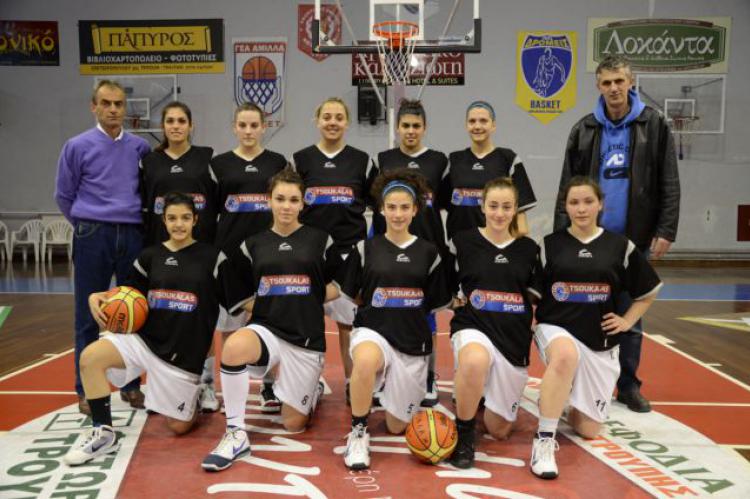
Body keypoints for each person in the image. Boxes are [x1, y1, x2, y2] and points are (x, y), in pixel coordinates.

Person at [554, 55, 680, 413]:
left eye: (619, 81)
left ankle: (627, 385)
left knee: (630, 315)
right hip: (588, 237)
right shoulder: (583, 129)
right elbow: (567, 186)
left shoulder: (654, 124)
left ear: (631, 82)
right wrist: (560, 235)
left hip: (634, 238)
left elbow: (669, 180)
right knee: (581, 310)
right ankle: (578, 381)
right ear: (598, 85)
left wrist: (666, 228)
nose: (613, 89)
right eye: (607, 82)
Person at [63, 192, 224, 466]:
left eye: (185, 218)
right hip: (144, 341)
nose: (179, 224)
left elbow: (236, 298)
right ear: (164, 220)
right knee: (90, 358)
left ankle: (195, 395)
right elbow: (127, 295)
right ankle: (103, 433)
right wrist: (97, 296)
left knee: (178, 426)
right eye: (172, 218)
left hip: (181, 357)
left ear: (195, 220)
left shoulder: (213, 257)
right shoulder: (149, 256)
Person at [201, 168, 343, 472]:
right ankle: (235, 433)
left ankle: (311, 391)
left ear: (302, 203)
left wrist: (303, 296)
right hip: (268, 329)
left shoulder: (321, 240)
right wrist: (269, 303)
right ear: (269, 201)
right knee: (234, 347)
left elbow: (338, 284)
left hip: (305, 338)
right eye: (280, 199)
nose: (286, 206)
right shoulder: (252, 244)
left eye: (293, 200)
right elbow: (237, 290)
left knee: (293, 424)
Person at [532, 176, 662, 479]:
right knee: (565, 356)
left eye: (588, 201)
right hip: (556, 328)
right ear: (565, 207)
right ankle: (544, 440)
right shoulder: (549, 245)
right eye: (574, 202)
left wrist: (627, 321)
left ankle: (558, 397)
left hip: (600, 340)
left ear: (600, 204)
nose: (581, 209)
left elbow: (648, 292)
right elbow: (532, 294)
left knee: (588, 429)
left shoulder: (620, 246)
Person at [342, 169, 451, 470]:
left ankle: (388, 387)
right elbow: (356, 295)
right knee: (365, 360)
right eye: (392, 207)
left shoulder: (430, 253)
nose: (398, 214)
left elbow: (434, 303)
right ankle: (358, 431)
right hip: (373, 330)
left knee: (396, 426)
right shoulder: (365, 248)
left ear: (415, 210)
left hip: (412, 342)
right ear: (381, 209)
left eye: (404, 207)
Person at [55, 80, 151, 415]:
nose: (113, 109)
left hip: (133, 234)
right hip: (93, 234)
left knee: (133, 313)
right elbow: (64, 195)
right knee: (88, 315)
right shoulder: (76, 146)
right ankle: (85, 389)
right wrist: (87, 225)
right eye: (106, 103)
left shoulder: (140, 148)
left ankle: (130, 385)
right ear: (93, 106)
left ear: (125, 108)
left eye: (118, 104)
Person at [448, 177, 542, 469]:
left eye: (506, 207)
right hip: (473, 325)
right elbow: (443, 283)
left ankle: (483, 390)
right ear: (482, 206)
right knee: (474, 360)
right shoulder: (462, 242)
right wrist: (451, 299)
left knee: (499, 430)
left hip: (512, 338)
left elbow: (536, 296)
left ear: (515, 209)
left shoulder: (529, 249)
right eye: (493, 206)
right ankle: (464, 435)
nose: (499, 213)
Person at [208, 102, 288, 413]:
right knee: (230, 325)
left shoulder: (278, 162)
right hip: (231, 257)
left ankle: (269, 386)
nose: (249, 131)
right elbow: (210, 211)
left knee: (269, 322)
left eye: (254, 125)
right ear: (234, 127)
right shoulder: (219, 165)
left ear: (264, 127)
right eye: (243, 125)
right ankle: (228, 387)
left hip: (267, 254)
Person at [292, 97, 371, 404]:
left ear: (347, 122)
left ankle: (352, 383)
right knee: (306, 321)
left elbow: (376, 206)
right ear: (317, 120)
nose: (333, 122)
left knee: (347, 323)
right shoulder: (301, 159)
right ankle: (309, 381)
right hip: (311, 252)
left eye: (339, 117)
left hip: (348, 252)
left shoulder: (362, 160)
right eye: (327, 116)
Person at [371, 99, 449, 407]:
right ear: (397, 128)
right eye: (405, 125)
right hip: (389, 247)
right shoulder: (384, 159)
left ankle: (429, 376)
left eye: (416, 126)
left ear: (425, 128)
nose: (411, 131)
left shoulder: (439, 161)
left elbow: (447, 203)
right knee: (388, 310)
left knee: (427, 313)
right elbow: (376, 206)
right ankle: (385, 375)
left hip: (427, 249)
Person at [442, 100, 537, 241]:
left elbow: (521, 218)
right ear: (466, 125)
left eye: (483, 121)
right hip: (459, 244)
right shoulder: (454, 160)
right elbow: (441, 203)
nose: (477, 126)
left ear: (493, 125)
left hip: (496, 244)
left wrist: (515, 245)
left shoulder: (508, 158)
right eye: (472, 121)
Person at [140, 101, 216, 248]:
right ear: (162, 126)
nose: (176, 126)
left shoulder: (208, 157)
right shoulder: (148, 162)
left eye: (182, 121)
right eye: (170, 121)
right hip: (160, 244)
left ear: (191, 125)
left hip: (201, 244)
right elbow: (143, 206)